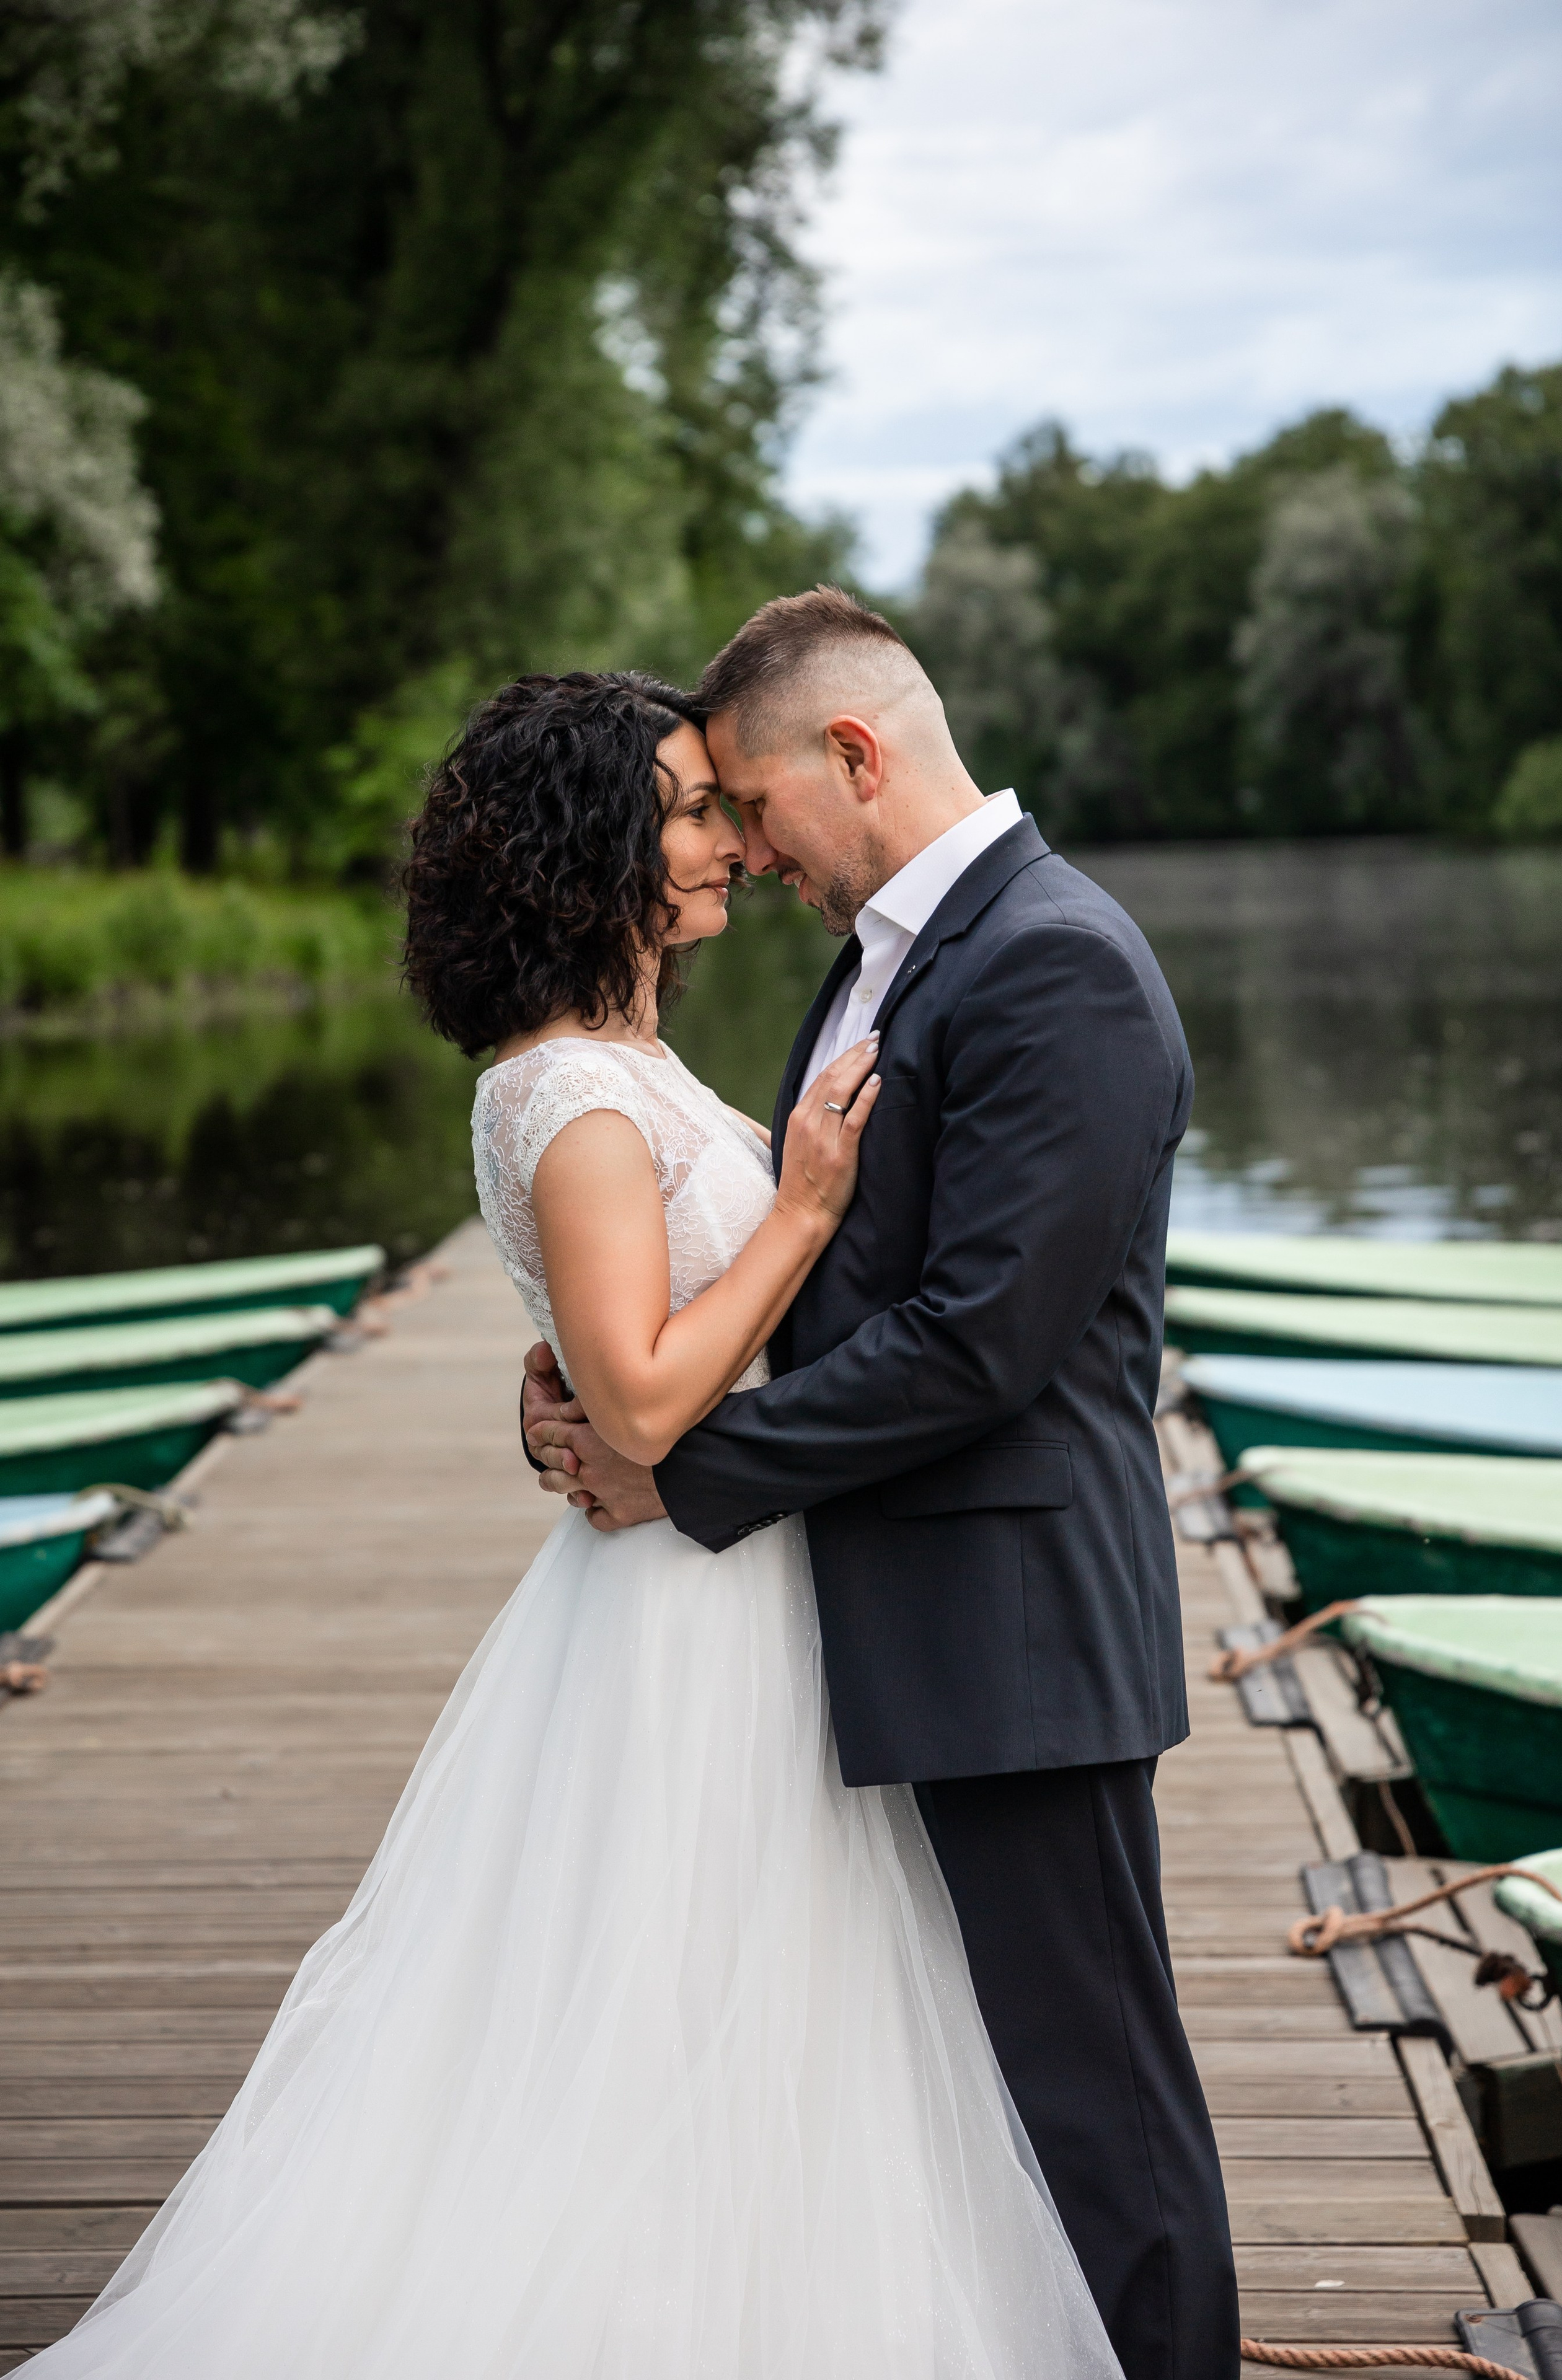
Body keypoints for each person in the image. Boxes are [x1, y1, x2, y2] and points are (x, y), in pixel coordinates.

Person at [29, 669, 1119, 2380]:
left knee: (776, 2015)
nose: (728, 847)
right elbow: (645, 1401)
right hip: (690, 1620)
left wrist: (606, 1372)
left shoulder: (628, 1064)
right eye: (689, 811)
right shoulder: (571, 1091)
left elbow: (629, 1364)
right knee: (669, 2009)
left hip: (748, 1584)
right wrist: (807, 1206)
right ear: (590, 847)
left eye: (719, 807)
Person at [523, 591, 1240, 2380]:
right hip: (900, 1618)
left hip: (1016, 1634)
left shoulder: (1055, 958)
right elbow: (812, 1272)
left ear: (855, 757)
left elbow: (980, 1341)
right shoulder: (898, 950)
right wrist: (602, 1397)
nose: (747, 855)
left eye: (752, 809)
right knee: (975, 2102)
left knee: (1099, 2103)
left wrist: (682, 1469)